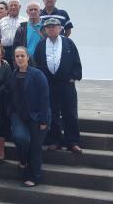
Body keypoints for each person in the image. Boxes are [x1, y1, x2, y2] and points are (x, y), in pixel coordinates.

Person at [34, 18, 82, 153]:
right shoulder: (41, 45)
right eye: (48, 27)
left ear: (60, 28)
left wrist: (73, 77)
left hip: (67, 84)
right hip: (49, 85)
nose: (51, 29)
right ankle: (55, 140)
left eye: (54, 26)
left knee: (70, 113)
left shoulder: (69, 43)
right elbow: (37, 64)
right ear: (45, 30)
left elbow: (76, 62)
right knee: (53, 113)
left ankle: (72, 141)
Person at [10, 46, 50, 187]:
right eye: (17, 56)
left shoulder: (37, 74)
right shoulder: (14, 74)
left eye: (22, 56)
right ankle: (23, 161)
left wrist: (44, 120)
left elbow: (44, 98)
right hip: (19, 115)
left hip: (37, 117)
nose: (19, 58)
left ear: (28, 57)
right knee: (20, 138)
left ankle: (34, 176)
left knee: (35, 147)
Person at [0, 0, 27, 68]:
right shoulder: (2, 21)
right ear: (8, 7)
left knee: (18, 70)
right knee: (6, 72)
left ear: (20, 7)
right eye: (11, 5)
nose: (13, 7)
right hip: (5, 52)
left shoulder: (25, 21)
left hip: (19, 51)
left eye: (15, 5)